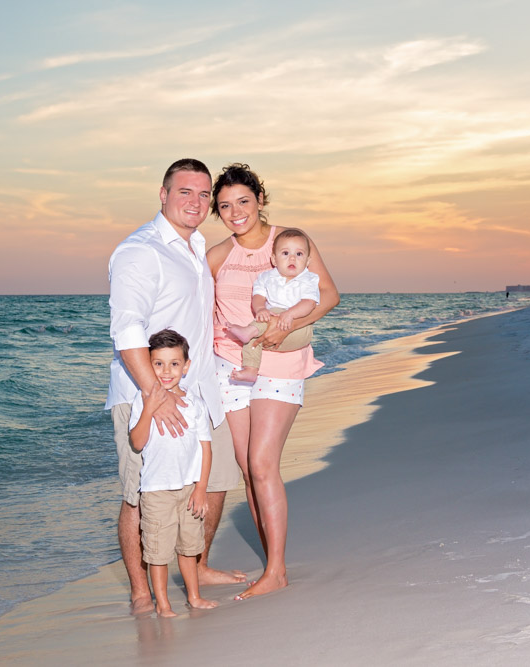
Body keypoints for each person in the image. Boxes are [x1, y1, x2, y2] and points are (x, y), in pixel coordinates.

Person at [107, 159, 245, 614]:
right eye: (185, 191)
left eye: (204, 195)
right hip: (149, 395)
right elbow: (127, 331)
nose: (196, 201)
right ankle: (141, 589)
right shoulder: (139, 251)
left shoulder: (196, 247)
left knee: (215, 481)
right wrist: (155, 394)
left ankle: (197, 565)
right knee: (142, 494)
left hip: (202, 391)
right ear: (163, 194)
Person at [206, 163, 340, 600]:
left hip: (281, 366)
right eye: (224, 206)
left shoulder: (291, 243)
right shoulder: (218, 256)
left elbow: (329, 295)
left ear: (260, 200)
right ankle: (271, 560)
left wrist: (285, 328)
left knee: (263, 465)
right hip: (230, 368)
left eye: (243, 201)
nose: (235, 212)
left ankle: (277, 570)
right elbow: (203, 313)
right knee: (249, 470)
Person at [129, 329, 220, 617]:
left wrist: (202, 488)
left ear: (186, 366)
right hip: (157, 490)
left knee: (189, 548)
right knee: (157, 553)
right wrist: (150, 409)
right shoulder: (141, 400)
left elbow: (206, 449)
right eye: (158, 364)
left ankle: (194, 596)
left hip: (190, 489)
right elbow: (137, 441)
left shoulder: (196, 404)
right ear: (148, 364)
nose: (166, 371)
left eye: (174, 364)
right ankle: (163, 604)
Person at [225, 228, 320, 383]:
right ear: (274, 260)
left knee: (268, 318)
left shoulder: (308, 279)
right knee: (252, 340)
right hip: (272, 324)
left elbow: (309, 303)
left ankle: (250, 330)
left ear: (307, 261)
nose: (292, 258)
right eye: (285, 253)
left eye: (299, 254)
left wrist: (290, 314)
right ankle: (250, 369)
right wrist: (260, 308)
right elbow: (258, 296)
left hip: (299, 330)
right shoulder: (267, 277)